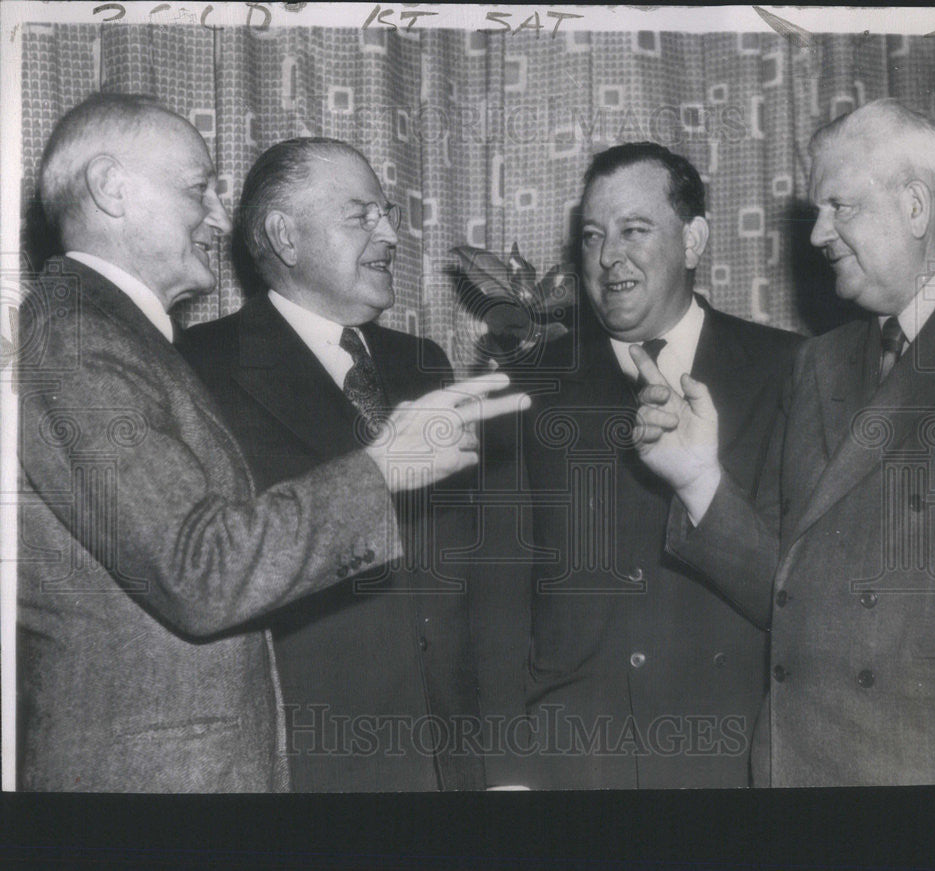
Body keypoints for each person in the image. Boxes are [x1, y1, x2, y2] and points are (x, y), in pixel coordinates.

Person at [17, 93, 522, 792]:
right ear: (111, 187)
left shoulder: (125, 337)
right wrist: (384, 468)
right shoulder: (88, 340)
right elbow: (201, 568)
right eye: (199, 189)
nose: (220, 217)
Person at [633, 99, 935, 786]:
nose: (818, 233)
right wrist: (698, 479)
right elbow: (789, 594)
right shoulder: (819, 362)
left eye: (839, 205)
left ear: (914, 207)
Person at [181, 138, 484, 792]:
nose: (392, 233)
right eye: (361, 215)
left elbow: (471, 572)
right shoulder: (197, 369)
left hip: (453, 765)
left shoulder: (424, 362)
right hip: (315, 772)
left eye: (389, 212)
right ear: (285, 237)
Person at [518, 142, 802, 788]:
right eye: (591, 236)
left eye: (634, 230)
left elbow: (804, 602)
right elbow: (501, 607)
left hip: (734, 766)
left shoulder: (792, 372)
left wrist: (705, 490)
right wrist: (508, 771)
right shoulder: (527, 391)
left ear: (694, 239)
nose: (607, 255)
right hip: (574, 769)